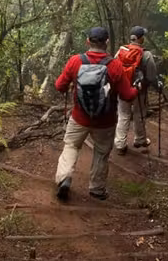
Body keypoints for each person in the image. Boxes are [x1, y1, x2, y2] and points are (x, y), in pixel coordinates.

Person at [54, 27, 137, 200]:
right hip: (105, 122)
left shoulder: (75, 61)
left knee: (71, 145)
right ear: (106, 42)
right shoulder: (115, 66)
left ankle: (64, 178)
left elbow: (59, 86)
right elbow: (127, 96)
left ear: (87, 41)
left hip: (79, 118)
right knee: (101, 152)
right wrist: (138, 88)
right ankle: (97, 189)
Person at [114, 26, 158, 155]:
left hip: (123, 90)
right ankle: (140, 139)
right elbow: (151, 76)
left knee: (123, 115)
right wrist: (151, 85)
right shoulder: (146, 54)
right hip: (139, 91)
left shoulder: (121, 51)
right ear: (141, 38)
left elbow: (114, 69)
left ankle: (120, 144)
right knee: (139, 115)